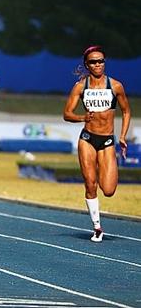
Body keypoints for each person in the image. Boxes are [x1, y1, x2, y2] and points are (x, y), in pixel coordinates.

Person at [63, 45, 131, 243]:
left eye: (101, 60)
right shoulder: (81, 87)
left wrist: (123, 136)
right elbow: (67, 114)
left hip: (108, 139)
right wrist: (82, 117)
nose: (98, 64)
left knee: (108, 190)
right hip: (88, 139)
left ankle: (105, 169)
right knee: (90, 184)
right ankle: (97, 227)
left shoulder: (115, 86)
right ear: (87, 64)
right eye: (93, 61)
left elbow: (126, 111)